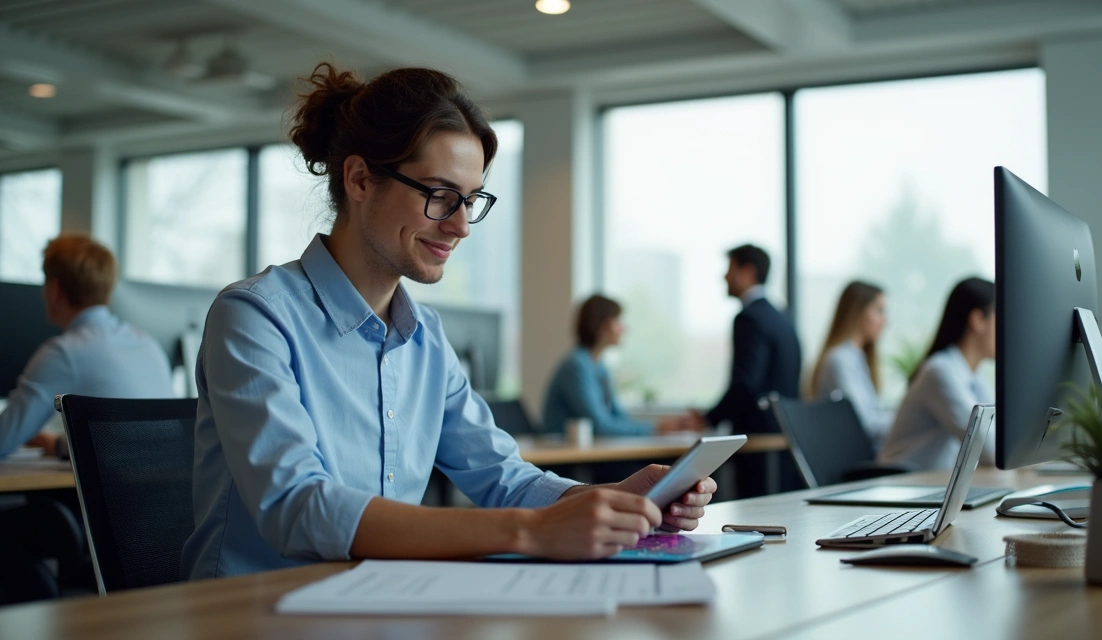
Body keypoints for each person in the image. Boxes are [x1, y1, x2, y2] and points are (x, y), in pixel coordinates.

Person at [181, 63, 716, 580]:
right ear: (360, 179)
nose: (461, 226)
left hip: (381, 601)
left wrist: (609, 500)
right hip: (255, 611)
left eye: (471, 200)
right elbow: (298, 508)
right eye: (440, 196)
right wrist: (531, 531)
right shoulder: (255, 316)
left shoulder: (426, 338)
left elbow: (503, 477)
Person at [0, 235, 173, 459]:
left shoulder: (63, 353)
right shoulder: (148, 344)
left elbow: (4, 440)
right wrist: (56, 444)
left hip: (113, 482)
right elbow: (130, 438)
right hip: (165, 480)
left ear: (55, 290)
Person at [679, 244, 802, 498]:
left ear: (748, 271)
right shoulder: (782, 317)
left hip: (756, 437)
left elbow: (746, 383)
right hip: (783, 436)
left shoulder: (749, 317)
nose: (724, 276)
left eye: (730, 268)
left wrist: (709, 419)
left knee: (753, 512)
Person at [878, 277, 996, 471]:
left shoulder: (973, 375)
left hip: (934, 480)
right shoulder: (940, 372)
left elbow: (998, 435)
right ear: (977, 320)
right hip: (903, 481)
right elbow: (989, 448)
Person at [542, 294, 691, 437]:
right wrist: (655, 428)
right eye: (617, 320)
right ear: (600, 325)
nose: (623, 328)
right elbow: (600, 426)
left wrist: (657, 427)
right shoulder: (576, 366)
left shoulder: (600, 367)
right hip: (562, 450)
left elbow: (618, 416)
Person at [806, 280, 892, 448]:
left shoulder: (855, 357)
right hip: (854, 455)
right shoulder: (841, 360)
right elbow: (865, 423)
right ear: (857, 311)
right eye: (879, 310)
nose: (885, 320)